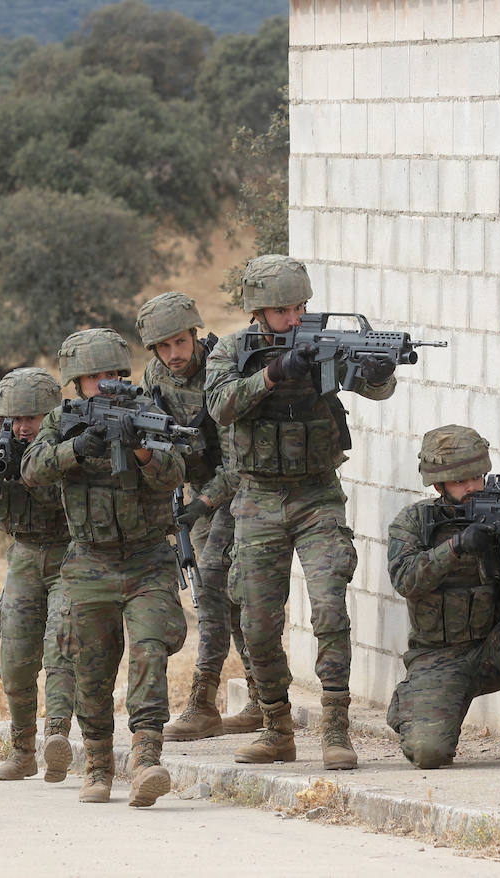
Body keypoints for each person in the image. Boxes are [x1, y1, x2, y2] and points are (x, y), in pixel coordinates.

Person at [205, 254, 397, 770]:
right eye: (284, 310)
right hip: (258, 497)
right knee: (257, 622)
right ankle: (276, 727)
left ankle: (336, 729)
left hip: (316, 495)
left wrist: (377, 371)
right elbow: (221, 405)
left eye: (301, 307)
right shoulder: (231, 350)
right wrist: (273, 374)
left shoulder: (323, 343)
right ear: (259, 312)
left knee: (331, 608)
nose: (295, 319)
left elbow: (375, 386)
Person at [21, 328, 187, 807]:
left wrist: (141, 450)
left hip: (148, 559)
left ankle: (147, 757)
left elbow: (177, 471)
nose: (105, 382)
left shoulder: (150, 411)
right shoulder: (61, 421)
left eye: (113, 373)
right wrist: (79, 447)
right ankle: (97, 762)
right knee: (90, 666)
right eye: (94, 376)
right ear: (77, 382)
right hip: (89, 560)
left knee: (150, 651)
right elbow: (31, 472)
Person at [385, 425, 500, 771]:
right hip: (438, 659)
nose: (471, 487)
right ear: (439, 485)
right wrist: (457, 546)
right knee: (428, 754)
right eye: (460, 481)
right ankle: (411, 702)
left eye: (476, 478)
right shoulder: (413, 522)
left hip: (493, 651)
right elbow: (405, 579)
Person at [133, 291, 260, 741]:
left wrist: (200, 507)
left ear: (195, 335)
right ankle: (260, 699)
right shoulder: (155, 376)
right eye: (163, 348)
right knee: (225, 595)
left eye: (180, 343)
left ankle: (203, 701)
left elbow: (237, 464)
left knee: (210, 584)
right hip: (195, 493)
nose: (174, 355)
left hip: (239, 491)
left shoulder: (219, 372)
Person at [0, 366, 75, 783]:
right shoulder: (3, 445)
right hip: (24, 556)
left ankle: (57, 738)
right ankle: (22, 750)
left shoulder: (67, 445)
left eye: (32, 418)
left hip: (67, 556)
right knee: (15, 659)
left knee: (62, 647)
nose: (23, 427)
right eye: (15, 419)